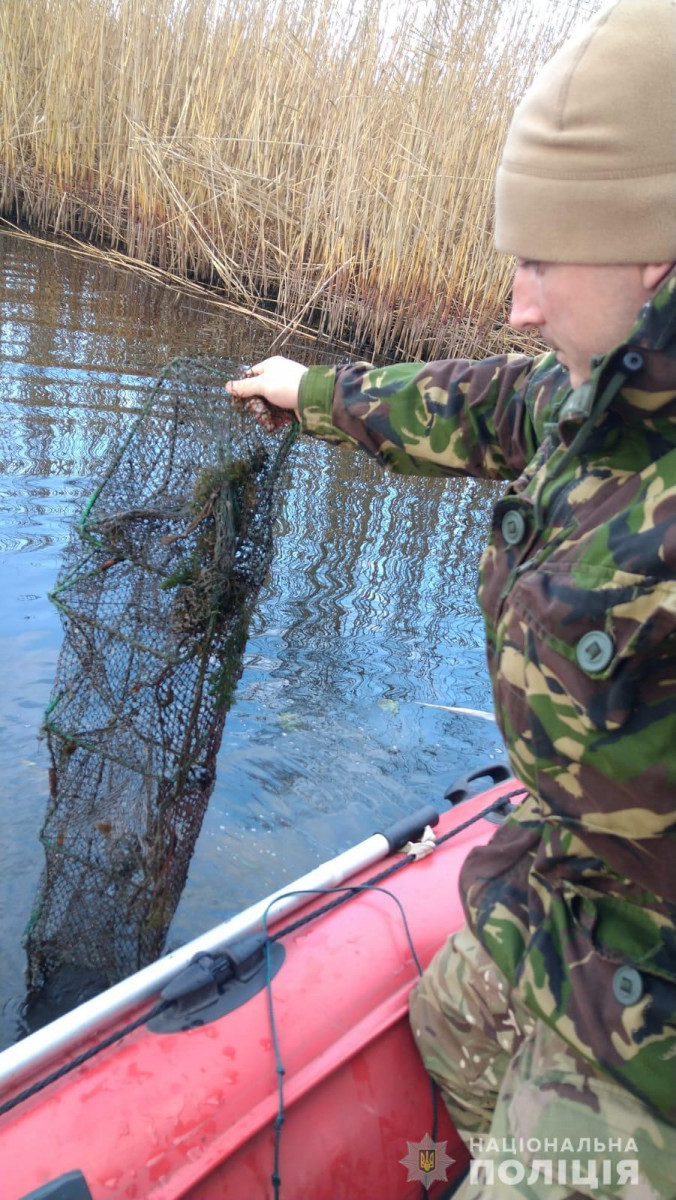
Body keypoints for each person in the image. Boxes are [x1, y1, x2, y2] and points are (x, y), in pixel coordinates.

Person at [227, 0, 676, 1193]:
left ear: (653, 255)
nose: (518, 302)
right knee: (448, 1016)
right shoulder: (606, 396)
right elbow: (488, 399)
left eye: (538, 260)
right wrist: (310, 391)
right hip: (581, 910)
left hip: (658, 1047)